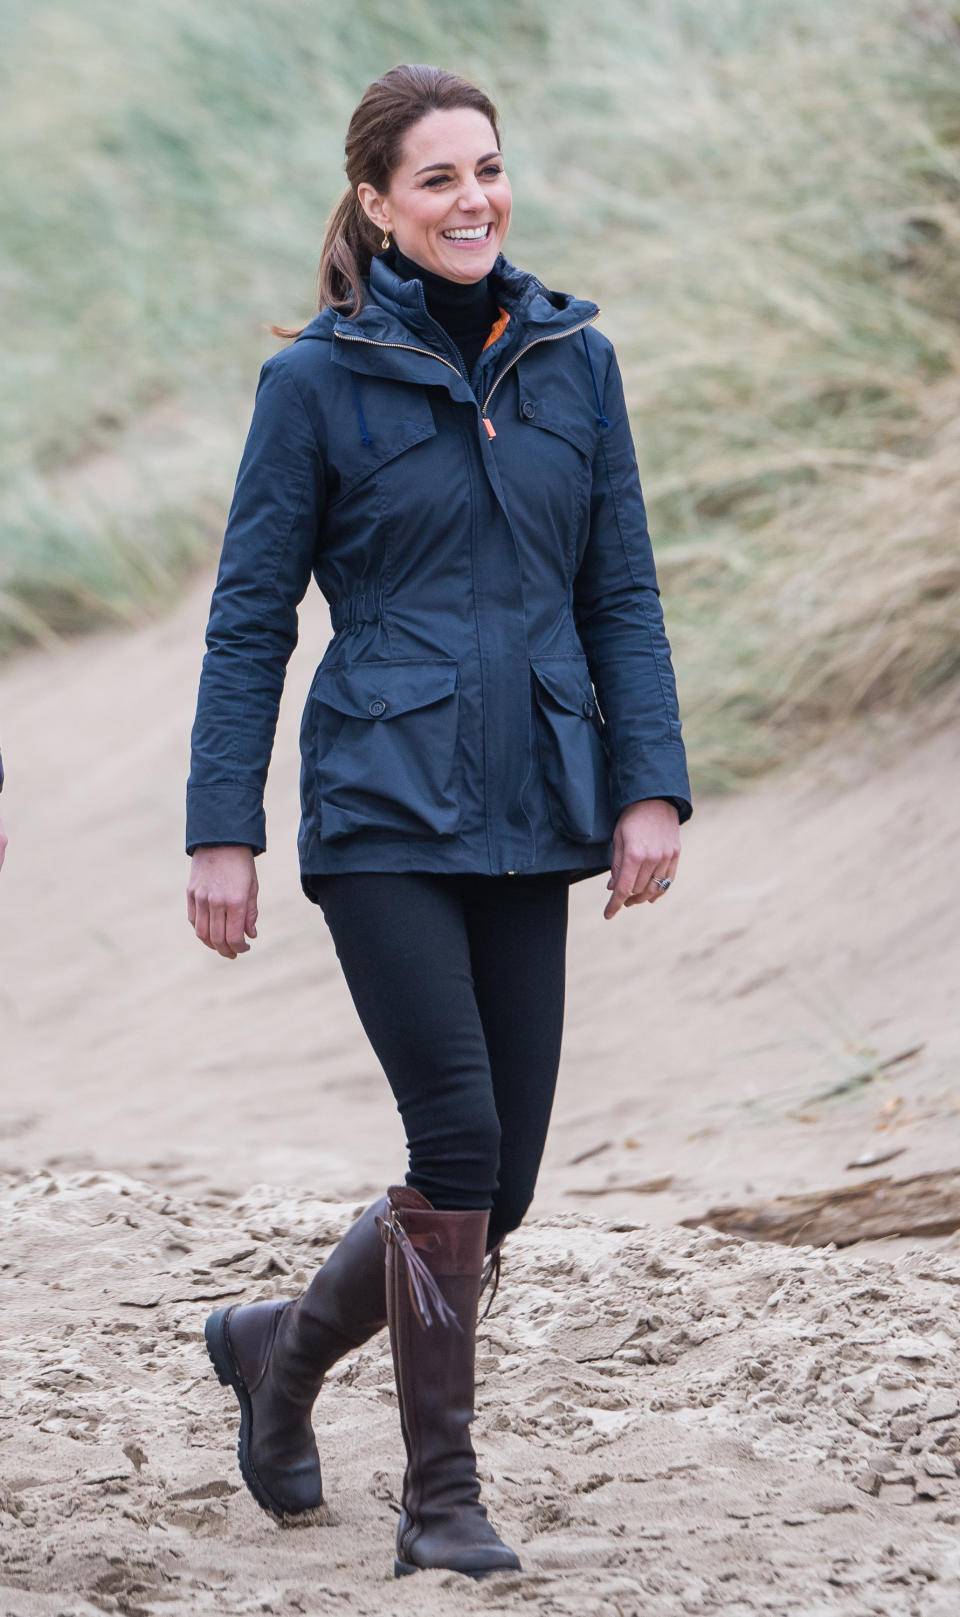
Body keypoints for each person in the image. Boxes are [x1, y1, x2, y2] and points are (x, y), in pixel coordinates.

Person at [186, 64, 691, 1579]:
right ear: (376, 205)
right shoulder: (314, 384)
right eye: (438, 179)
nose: (475, 198)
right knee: (456, 1136)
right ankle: (443, 1499)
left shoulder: (572, 361)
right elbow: (246, 622)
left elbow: (622, 593)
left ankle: (282, 1347)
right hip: (385, 805)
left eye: (490, 168)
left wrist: (647, 781)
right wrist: (225, 825)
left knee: (500, 1182)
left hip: (536, 797)